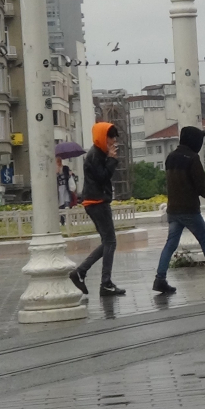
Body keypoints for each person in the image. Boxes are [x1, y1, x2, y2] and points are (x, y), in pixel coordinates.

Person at [153, 126, 205, 294]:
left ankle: (160, 279)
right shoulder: (192, 158)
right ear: (194, 141)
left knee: (170, 244)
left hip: (173, 210)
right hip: (189, 210)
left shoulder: (170, 157)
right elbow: (200, 185)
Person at [69, 122, 126, 296]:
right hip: (97, 203)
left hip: (96, 202)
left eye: (115, 137)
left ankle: (81, 272)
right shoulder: (96, 155)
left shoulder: (98, 153)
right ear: (103, 137)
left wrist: (109, 159)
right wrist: (112, 160)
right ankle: (105, 282)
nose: (113, 141)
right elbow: (102, 177)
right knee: (110, 242)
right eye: (111, 137)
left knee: (107, 242)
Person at [56, 156, 77, 225]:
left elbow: (70, 175)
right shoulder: (55, 170)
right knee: (61, 206)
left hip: (66, 188)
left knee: (67, 203)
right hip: (59, 189)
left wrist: (70, 174)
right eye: (57, 161)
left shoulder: (65, 168)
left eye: (60, 161)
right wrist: (56, 172)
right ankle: (62, 221)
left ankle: (68, 220)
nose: (59, 163)